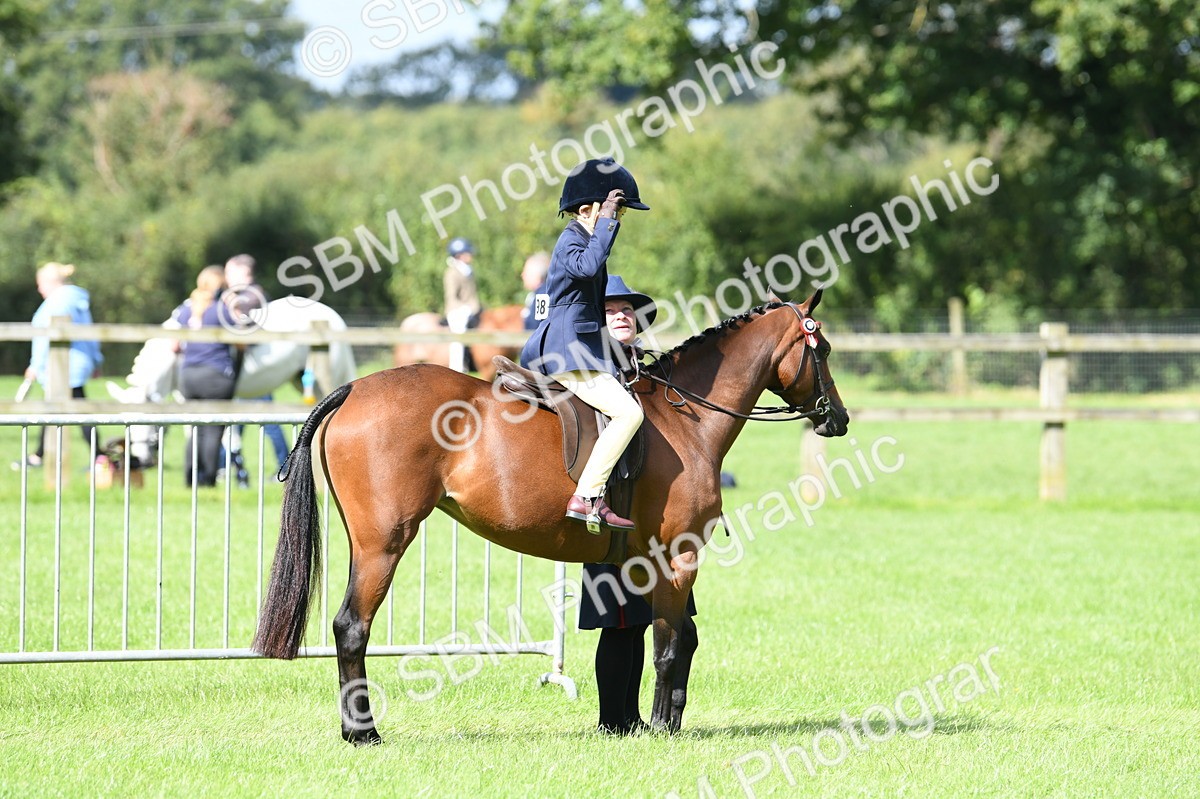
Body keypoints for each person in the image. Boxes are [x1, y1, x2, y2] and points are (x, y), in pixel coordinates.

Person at [519, 157, 650, 531]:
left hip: (582, 345)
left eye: (619, 214)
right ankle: (588, 496)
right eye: (615, 212)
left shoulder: (585, 238)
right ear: (586, 210)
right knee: (629, 413)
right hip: (567, 349)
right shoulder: (572, 239)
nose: (618, 220)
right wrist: (606, 222)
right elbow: (589, 268)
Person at [16, 261, 104, 468]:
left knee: (75, 412)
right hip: (78, 363)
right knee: (59, 410)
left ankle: (99, 457)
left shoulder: (57, 302)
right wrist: (96, 360)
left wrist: (35, 365)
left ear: (50, 282)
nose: (39, 289)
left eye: (40, 284)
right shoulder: (77, 300)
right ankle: (39, 455)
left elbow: (46, 336)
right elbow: (90, 333)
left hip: (63, 366)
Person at [222, 253, 289, 477]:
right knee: (237, 424)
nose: (227, 277)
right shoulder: (249, 295)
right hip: (248, 371)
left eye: (230, 272)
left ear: (243, 272)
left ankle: (284, 466)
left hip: (255, 371)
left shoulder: (252, 296)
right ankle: (227, 465)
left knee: (268, 424)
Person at [174, 265, 236, 487]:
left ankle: (190, 479)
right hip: (216, 375)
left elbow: (174, 345)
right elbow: (242, 339)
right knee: (213, 430)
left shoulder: (184, 310)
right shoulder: (221, 309)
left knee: (195, 429)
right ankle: (208, 480)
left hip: (188, 376)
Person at [444, 237, 482, 372]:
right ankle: (457, 367)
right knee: (458, 335)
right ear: (459, 255)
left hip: (471, 308)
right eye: (468, 253)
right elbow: (451, 296)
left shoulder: (467, 270)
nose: (470, 255)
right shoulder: (452, 272)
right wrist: (466, 307)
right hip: (457, 310)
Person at [520, 251, 551, 331]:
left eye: (526, 272)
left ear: (536, 275)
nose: (522, 275)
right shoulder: (538, 294)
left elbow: (538, 327)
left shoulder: (542, 296)